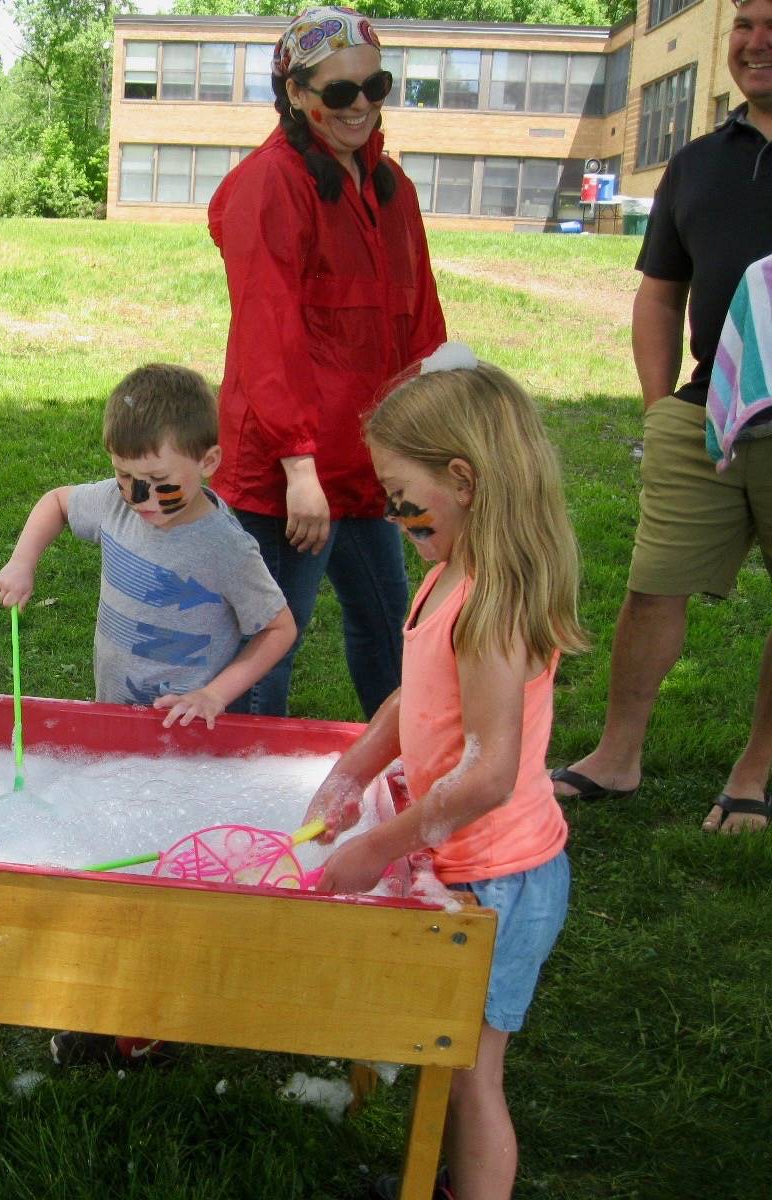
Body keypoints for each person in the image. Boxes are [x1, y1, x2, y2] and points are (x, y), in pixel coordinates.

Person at [301, 349, 582, 1200]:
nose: (392, 519)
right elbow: (410, 696)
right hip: (467, 864)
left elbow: (491, 773)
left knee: (470, 1074)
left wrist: (382, 845)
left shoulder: (491, 601)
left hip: (501, 878)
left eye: (403, 500)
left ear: (462, 478)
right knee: (446, 1052)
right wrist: (354, 770)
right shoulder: (446, 573)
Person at [551, 0, 772, 833]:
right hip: (703, 414)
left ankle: (756, 770)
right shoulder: (699, 162)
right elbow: (660, 291)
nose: (756, 41)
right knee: (651, 589)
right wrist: (659, 405)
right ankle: (617, 755)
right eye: (746, 23)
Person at [207, 5, 446, 719]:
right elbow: (267, 335)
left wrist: (432, 440)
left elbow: (421, 323)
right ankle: (241, 806)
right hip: (289, 474)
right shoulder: (270, 183)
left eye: (376, 87)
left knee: (389, 623)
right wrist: (299, 467)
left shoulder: (390, 188)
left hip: (369, 464)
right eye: (340, 92)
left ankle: (407, 765)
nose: (361, 106)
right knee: (269, 644)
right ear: (296, 92)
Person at [0, 362, 295, 727]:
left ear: (208, 462)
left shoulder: (225, 547)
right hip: (115, 714)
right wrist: (22, 562)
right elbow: (57, 502)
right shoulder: (114, 502)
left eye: (157, 478)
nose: (139, 495)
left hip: (186, 729)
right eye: (124, 474)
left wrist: (214, 694)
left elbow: (279, 629)